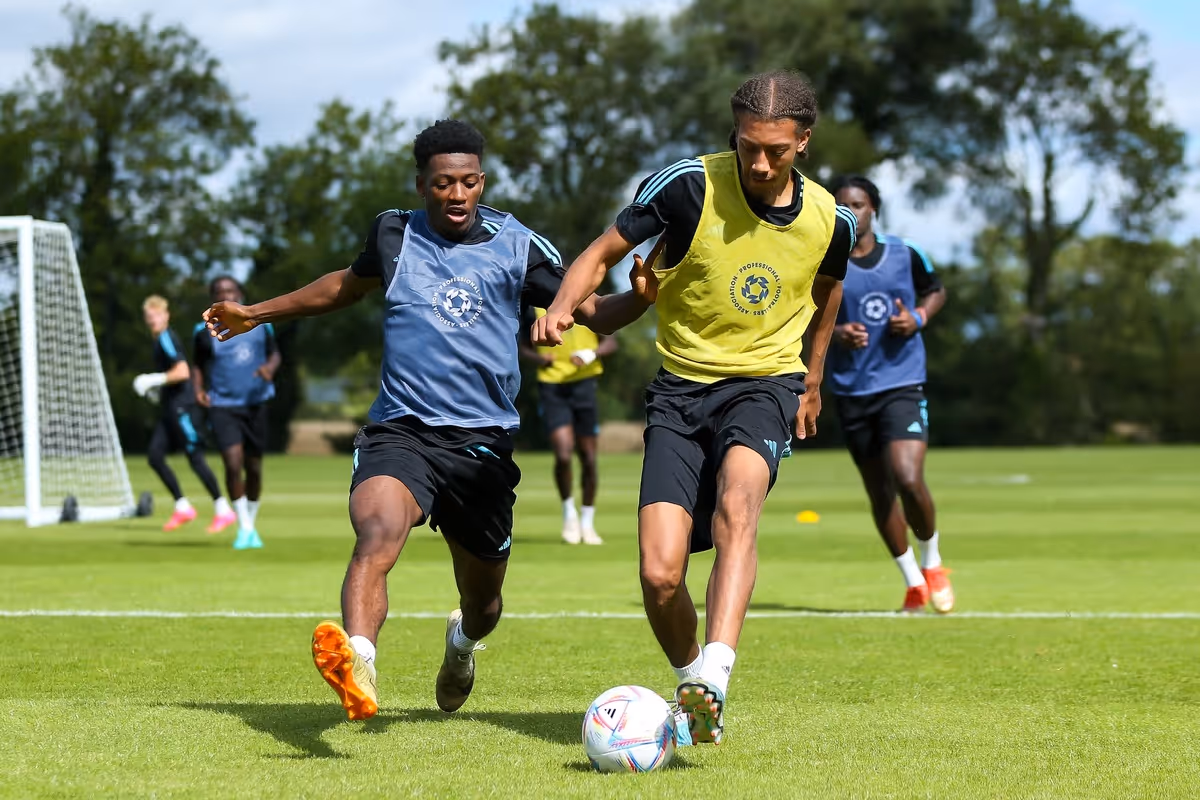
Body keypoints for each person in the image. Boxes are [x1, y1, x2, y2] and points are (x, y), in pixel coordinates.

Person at [203, 119, 651, 722]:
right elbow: (345, 286)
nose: (457, 194)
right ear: (422, 185)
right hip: (402, 430)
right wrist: (257, 313)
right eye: (444, 183)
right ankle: (358, 661)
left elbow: (595, 312)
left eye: (468, 182)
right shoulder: (392, 234)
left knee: (484, 603)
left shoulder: (518, 243)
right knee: (377, 536)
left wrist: (643, 298)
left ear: (482, 182)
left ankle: (462, 645)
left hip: (482, 444)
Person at [532, 70, 856, 746]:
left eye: (775, 149)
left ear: (805, 140)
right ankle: (689, 688)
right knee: (658, 574)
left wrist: (813, 380)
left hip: (765, 385)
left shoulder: (832, 220)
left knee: (740, 505)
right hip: (679, 392)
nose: (759, 163)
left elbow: (828, 295)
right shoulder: (687, 185)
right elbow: (601, 252)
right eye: (747, 146)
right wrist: (564, 306)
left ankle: (716, 676)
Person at [829, 175, 954, 614]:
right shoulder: (825, 261)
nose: (851, 213)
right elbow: (803, 311)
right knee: (880, 494)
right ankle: (913, 585)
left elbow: (936, 291)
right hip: (851, 390)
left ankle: (934, 562)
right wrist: (836, 332)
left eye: (858, 205)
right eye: (842, 206)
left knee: (907, 477)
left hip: (901, 383)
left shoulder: (905, 253)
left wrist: (918, 318)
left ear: (874, 209)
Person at [192, 276, 281, 551]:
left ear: (240, 294)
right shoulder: (203, 330)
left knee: (253, 467)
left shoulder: (259, 324)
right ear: (214, 298)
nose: (227, 296)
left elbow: (275, 355)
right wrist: (197, 389)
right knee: (232, 462)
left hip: (255, 403)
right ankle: (243, 527)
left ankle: (250, 525)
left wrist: (269, 369)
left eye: (231, 291)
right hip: (223, 405)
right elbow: (197, 364)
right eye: (221, 293)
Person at [134, 295, 235, 534]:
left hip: (183, 408)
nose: (153, 320)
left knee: (195, 457)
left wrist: (154, 379)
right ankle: (182, 507)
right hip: (170, 407)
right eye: (149, 317)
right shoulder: (158, 339)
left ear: (166, 315)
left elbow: (182, 371)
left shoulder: (167, 338)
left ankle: (223, 509)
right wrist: (159, 389)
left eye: (157, 315)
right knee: (155, 456)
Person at [519, 309, 616, 545]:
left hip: (584, 384)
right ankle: (569, 515)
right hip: (552, 387)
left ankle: (587, 522)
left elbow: (610, 342)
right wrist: (540, 359)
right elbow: (521, 348)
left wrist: (591, 354)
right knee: (563, 455)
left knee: (589, 458)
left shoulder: (588, 302)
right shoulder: (535, 308)